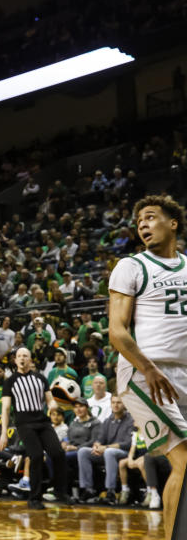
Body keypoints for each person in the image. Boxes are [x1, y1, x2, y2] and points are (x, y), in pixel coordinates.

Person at [107, 194, 187, 540]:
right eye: (139, 221)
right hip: (144, 373)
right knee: (186, 462)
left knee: (183, 468)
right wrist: (149, 368)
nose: (142, 224)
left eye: (151, 217)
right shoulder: (132, 266)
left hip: (183, 372)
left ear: (173, 224)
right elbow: (117, 332)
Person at [0, 347, 69, 509]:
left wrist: (53, 406)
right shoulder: (10, 381)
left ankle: (60, 491)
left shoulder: (40, 378)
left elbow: (49, 400)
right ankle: (34, 498)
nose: (22, 358)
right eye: (19, 356)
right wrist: (4, 433)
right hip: (24, 423)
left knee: (58, 453)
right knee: (36, 456)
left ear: (30, 360)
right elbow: (6, 408)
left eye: (25, 355)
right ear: (15, 360)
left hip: (42, 421)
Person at [76, 396, 134, 504]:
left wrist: (105, 447)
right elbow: (100, 439)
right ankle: (88, 489)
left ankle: (110, 491)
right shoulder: (108, 420)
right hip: (107, 452)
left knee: (109, 452)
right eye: (113, 402)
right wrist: (96, 447)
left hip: (125, 453)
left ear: (125, 404)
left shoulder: (131, 420)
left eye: (119, 403)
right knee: (83, 451)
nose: (115, 405)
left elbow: (128, 444)